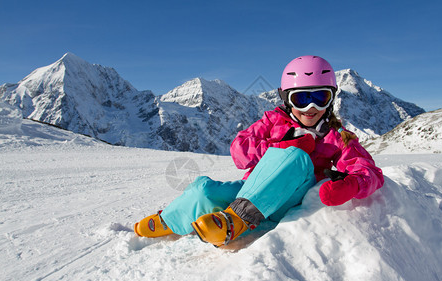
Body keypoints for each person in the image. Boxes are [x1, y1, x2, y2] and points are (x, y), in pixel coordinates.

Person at [134, 55, 384, 247]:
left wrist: (351, 184)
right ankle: (169, 220)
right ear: (286, 98)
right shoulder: (273, 121)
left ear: (331, 99)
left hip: (287, 199)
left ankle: (233, 223)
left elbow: (367, 169)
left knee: (296, 158)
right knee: (205, 189)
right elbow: (239, 150)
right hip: (252, 189)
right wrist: (278, 146)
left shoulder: (336, 135)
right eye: (301, 99)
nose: (311, 107)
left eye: (320, 97)